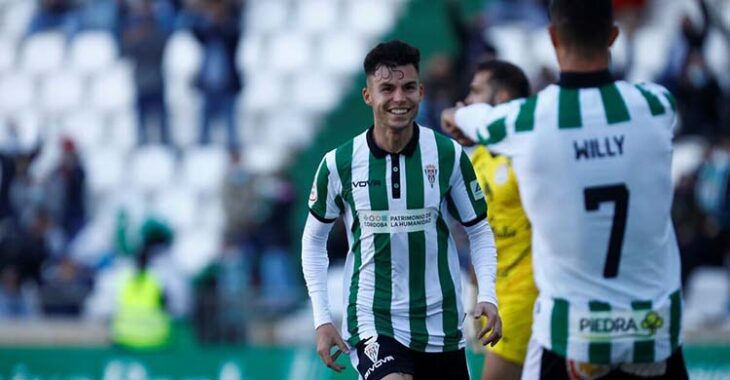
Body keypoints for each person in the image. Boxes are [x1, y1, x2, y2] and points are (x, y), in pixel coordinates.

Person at [442, 1, 688, 378]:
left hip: (574, 335)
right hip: (652, 330)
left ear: (554, 37)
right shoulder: (656, 106)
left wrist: (456, 116)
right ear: (613, 37)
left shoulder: (529, 120)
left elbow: (478, 118)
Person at [301, 40, 501, 380]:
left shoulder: (448, 155)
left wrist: (489, 294)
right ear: (368, 96)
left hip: (442, 323)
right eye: (387, 89)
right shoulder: (339, 164)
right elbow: (313, 241)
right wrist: (322, 318)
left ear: (421, 91)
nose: (399, 98)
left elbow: (479, 229)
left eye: (408, 87)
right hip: (373, 318)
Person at [461, 60, 537, 380]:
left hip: (529, 293)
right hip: (495, 295)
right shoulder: (477, 157)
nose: (467, 100)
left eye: (477, 91)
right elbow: (477, 230)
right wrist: (476, 292)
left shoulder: (528, 156)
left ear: (502, 97)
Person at [111, 243, 171, 350]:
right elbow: (167, 304)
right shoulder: (157, 278)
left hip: (126, 336)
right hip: (154, 337)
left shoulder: (123, 278)